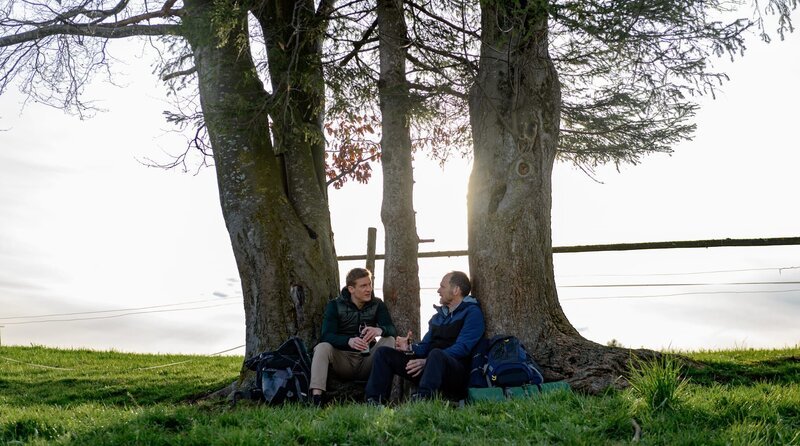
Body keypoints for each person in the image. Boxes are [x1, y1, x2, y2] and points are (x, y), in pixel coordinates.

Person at [364, 271, 485, 404]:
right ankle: (374, 401)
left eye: (443, 287)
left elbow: (463, 348)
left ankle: (423, 400)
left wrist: (427, 360)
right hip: (429, 366)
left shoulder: (472, 313)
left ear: (456, 290)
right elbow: (425, 346)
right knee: (384, 353)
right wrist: (410, 348)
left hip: (456, 372)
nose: (439, 290)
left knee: (436, 354)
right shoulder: (437, 318)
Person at [309, 267, 397, 406]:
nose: (369, 289)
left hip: (368, 359)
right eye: (363, 286)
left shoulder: (377, 304)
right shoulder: (335, 305)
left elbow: (392, 330)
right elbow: (326, 336)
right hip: (343, 360)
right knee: (322, 347)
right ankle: (316, 399)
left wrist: (380, 330)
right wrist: (348, 341)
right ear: (351, 289)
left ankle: (378, 398)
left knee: (389, 340)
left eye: (369, 284)